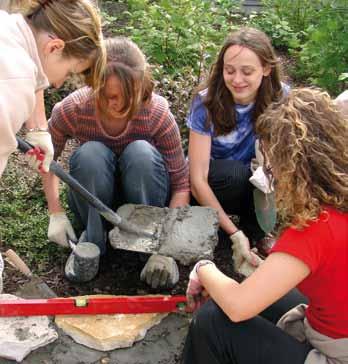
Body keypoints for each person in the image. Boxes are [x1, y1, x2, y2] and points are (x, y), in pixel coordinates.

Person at [182, 88, 348, 364]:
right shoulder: (338, 202)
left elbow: (237, 307)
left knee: (214, 321)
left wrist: (203, 269)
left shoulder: (315, 228)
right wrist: (272, 271)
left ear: (290, 167)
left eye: (270, 165)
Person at [43, 36, 190, 288]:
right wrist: (55, 212)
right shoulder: (75, 109)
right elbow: (45, 159)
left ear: (141, 85)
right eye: (108, 95)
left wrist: (167, 247)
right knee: (90, 154)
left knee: (141, 152)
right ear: (93, 84)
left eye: (125, 95)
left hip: (144, 197)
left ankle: (149, 245)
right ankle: (92, 242)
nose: (116, 104)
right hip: (95, 200)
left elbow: (181, 184)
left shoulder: (156, 113)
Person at [186, 27, 288, 268]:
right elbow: (197, 179)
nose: (237, 80)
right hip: (216, 184)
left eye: (247, 71)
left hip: (256, 183)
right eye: (229, 71)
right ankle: (229, 229)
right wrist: (234, 233)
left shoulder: (281, 97)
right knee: (236, 174)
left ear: (266, 69)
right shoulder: (206, 102)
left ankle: (260, 230)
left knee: (268, 173)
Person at [0, 0, 106, 177]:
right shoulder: (17, 81)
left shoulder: (6, 24)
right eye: (68, 73)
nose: (57, 84)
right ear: (55, 47)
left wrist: (38, 130)